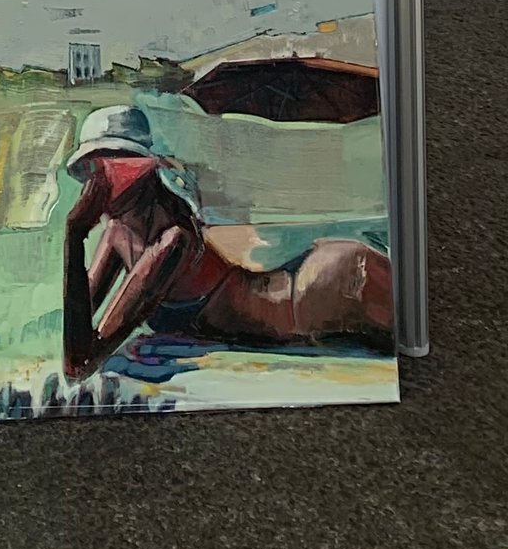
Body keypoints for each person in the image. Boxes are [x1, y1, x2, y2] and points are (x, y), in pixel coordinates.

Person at [60, 103, 392, 383]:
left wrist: (76, 232)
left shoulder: (173, 239)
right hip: (310, 287)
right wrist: (76, 234)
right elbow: (78, 340)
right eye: (91, 168)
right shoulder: (118, 232)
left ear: (145, 168)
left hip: (319, 289)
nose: (97, 180)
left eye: (111, 166)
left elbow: (81, 362)